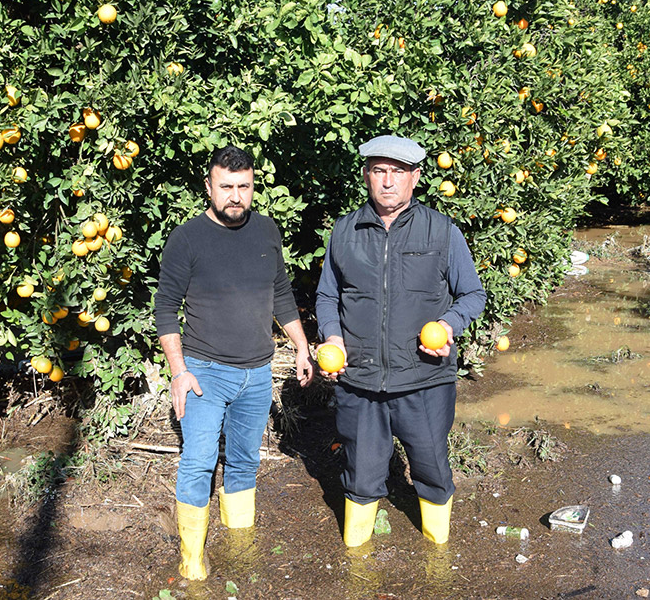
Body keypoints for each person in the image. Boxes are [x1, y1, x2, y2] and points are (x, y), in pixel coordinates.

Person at [316, 134, 486, 547]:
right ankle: (356, 557)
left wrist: (446, 326)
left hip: (425, 380)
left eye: (397, 172)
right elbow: (327, 295)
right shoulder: (345, 231)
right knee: (360, 473)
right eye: (378, 171)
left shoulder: (442, 231)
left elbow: (472, 295)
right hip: (360, 382)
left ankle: (437, 556)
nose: (387, 182)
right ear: (365, 175)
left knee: (431, 468)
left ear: (416, 177)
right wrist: (333, 338)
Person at [155, 145, 313, 580]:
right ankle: (192, 559)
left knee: (244, 460)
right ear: (209, 187)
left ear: (253, 187)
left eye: (243, 187)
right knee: (200, 460)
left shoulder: (266, 231)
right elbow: (165, 307)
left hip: (258, 373)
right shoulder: (187, 238)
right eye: (226, 187)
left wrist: (299, 345)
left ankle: (241, 543)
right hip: (204, 373)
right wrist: (179, 371)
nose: (235, 196)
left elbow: (280, 292)